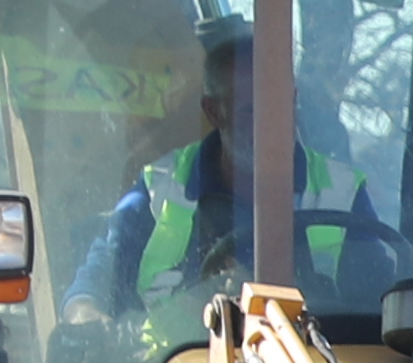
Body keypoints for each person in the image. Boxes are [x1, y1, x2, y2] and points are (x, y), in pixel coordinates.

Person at [72, 23, 377, 322]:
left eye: (281, 104)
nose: (272, 123)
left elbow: (375, 304)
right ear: (214, 112)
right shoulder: (159, 188)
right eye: (252, 110)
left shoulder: (343, 193)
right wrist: (87, 317)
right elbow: (95, 283)